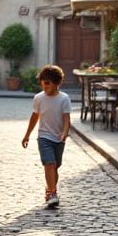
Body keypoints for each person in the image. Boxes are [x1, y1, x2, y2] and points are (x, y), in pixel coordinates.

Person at [21, 65, 72, 208]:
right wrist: (27, 135)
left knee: (55, 166)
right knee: (49, 163)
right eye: (43, 82)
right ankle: (53, 192)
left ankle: (49, 190)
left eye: (48, 83)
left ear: (57, 83)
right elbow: (34, 116)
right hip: (44, 136)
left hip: (59, 137)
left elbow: (67, 119)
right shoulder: (38, 98)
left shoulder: (64, 99)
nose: (45, 86)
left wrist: (65, 133)